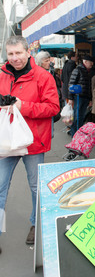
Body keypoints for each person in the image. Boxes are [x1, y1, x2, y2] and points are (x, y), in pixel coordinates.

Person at [0, 36, 60, 251]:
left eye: (18, 53)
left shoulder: (43, 77)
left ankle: (36, 224)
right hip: (7, 141)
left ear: (28, 52)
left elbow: (53, 108)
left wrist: (22, 106)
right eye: (10, 54)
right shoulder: (2, 76)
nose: (14, 58)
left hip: (33, 142)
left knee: (36, 187)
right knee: (0, 186)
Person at [68, 55, 94, 136]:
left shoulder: (88, 71)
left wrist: (90, 99)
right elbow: (71, 84)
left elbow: (89, 86)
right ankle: (74, 134)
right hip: (78, 97)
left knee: (82, 116)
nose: (92, 64)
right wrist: (70, 98)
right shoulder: (78, 70)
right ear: (85, 62)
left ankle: (78, 133)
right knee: (77, 117)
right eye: (91, 62)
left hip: (85, 97)